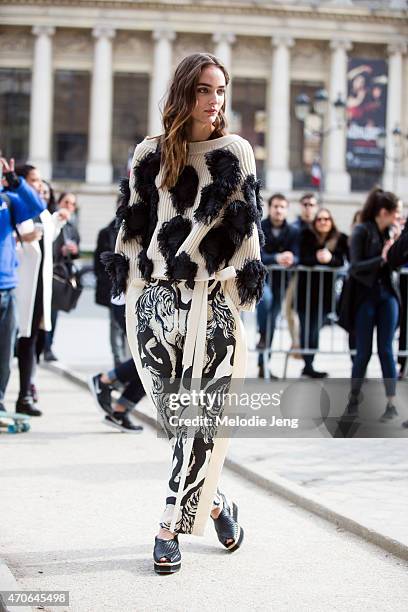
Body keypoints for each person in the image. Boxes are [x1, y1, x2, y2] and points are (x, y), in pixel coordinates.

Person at [103, 53, 265, 574]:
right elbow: (131, 225)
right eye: (203, 90)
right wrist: (126, 295)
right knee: (179, 428)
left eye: (220, 90)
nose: (214, 101)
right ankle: (216, 503)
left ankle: (168, 527)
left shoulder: (235, 151)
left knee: (200, 424)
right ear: (183, 93)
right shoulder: (149, 154)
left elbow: (247, 230)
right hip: (155, 304)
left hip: (211, 303)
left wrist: (245, 304)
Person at [14, 164, 69, 416]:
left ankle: (25, 395)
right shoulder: (17, 205)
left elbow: (48, 234)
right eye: (33, 180)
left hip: (39, 289)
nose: (39, 185)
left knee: (32, 341)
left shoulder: (43, 213)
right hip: (18, 286)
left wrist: (58, 218)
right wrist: (19, 240)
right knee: (16, 342)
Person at [346, 187, 400, 421]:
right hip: (365, 297)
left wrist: (398, 246)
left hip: (387, 296)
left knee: (386, 350)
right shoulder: (361, 231)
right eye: (395, 213)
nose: (398, 217)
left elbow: (396, 264)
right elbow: (355, 266)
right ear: (383, 212)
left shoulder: (392, 232)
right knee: (364, 352)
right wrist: (383, 257)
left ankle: (391, 403)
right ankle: (353, 400)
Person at [0, 157, 45, 412]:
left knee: (5, 355)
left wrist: (17, 182)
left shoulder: (7, 199)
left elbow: (37, 206)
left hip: (7, 287)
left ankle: (0, 405)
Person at [297, 208, 349, 378]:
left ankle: (310, 363)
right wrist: (317, 259)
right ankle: (308, 364)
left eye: (326, 219)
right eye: (319, 219)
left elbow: (341, 261)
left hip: (325, 295)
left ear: (331, 221)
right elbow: (302, 258)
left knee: (315, 330)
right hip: (305, 292)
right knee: (306, 328)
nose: (323, 222)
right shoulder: (306, 235)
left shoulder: (339, 239)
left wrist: (330, 259)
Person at [256, 193, 299, 378]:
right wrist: (276, 258)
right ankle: (262, 333)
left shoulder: (293, 231)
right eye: (276, 206)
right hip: (262, 279)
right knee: (265, 301)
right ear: (270, 207)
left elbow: (298, 256)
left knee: (272, 323)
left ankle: (263, 365)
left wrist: (291, 258)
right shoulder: (260, 227)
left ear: (287, 209)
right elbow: (258, 254)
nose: (279, 210)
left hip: (281, 282)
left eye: (282, 207)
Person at [89, 302, 145, 433]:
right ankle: (106, 380)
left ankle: (120, 412)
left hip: (144, 301)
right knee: (153, 358)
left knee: (153, 367)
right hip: (131, 301)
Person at [43, 191, 81, 362]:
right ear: (58, 203)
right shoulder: (52, 221)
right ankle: (42, 346)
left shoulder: (72, 229)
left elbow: (74, 253)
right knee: (43, 312)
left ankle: (48, 347)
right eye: (66, 202)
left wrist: (73, 252)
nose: (69, 206)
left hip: (61, 276)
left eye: (72, 204)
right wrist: (60, 250)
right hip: (47, 273)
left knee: (54, 312)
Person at [94, 202, 128, 368]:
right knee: (115, 325)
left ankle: (130, 367)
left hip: (132, 286)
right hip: (114, 287)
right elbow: (97, 263)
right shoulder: (106, 232)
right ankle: (119, 363)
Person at [285, 193, 319, 357]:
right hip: (296, 275)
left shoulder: (320, 225)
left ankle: (307, 349)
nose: (308, 208)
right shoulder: (294, 227)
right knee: (290, 310)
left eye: (311, 204)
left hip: (315, 277)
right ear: (300, 206)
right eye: (305, 204)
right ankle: (297, 343)